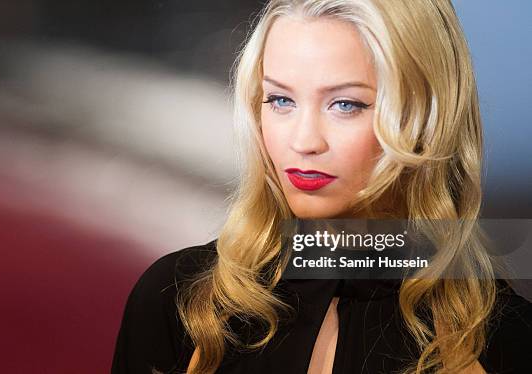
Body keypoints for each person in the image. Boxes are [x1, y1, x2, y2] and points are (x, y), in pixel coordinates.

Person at [111, 0, 532, 373]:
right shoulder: (180, 302)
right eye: (280, 100)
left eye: (345, 104)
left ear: (425, 118)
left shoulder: (505, 339)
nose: (304, 141)